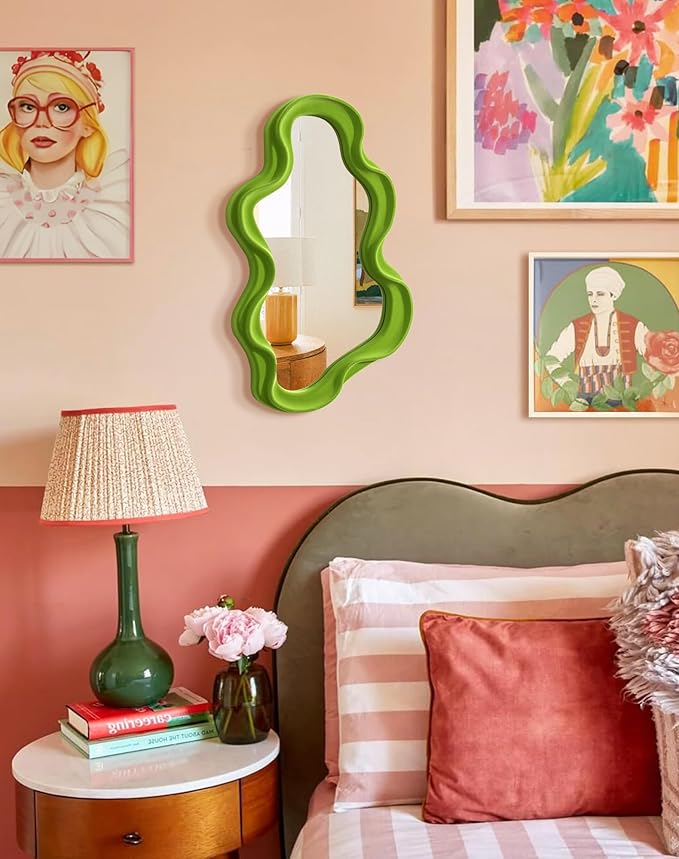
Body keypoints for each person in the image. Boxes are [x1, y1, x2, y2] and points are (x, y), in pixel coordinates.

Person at [0, 50, 129, 259]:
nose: (41, 122)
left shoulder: (118, 194)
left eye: (61, 107)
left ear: (88, 124)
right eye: (28, 106)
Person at [547, 266, 648, 400]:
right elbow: (550, 360)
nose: (593, 299)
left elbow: (658, 359)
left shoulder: (633, 326)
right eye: (590, 294)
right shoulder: (576, 327)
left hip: (623, 403)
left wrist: (645, 391)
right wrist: (568, 385)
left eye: (600, 294)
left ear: (614, 295)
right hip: (586, 401)